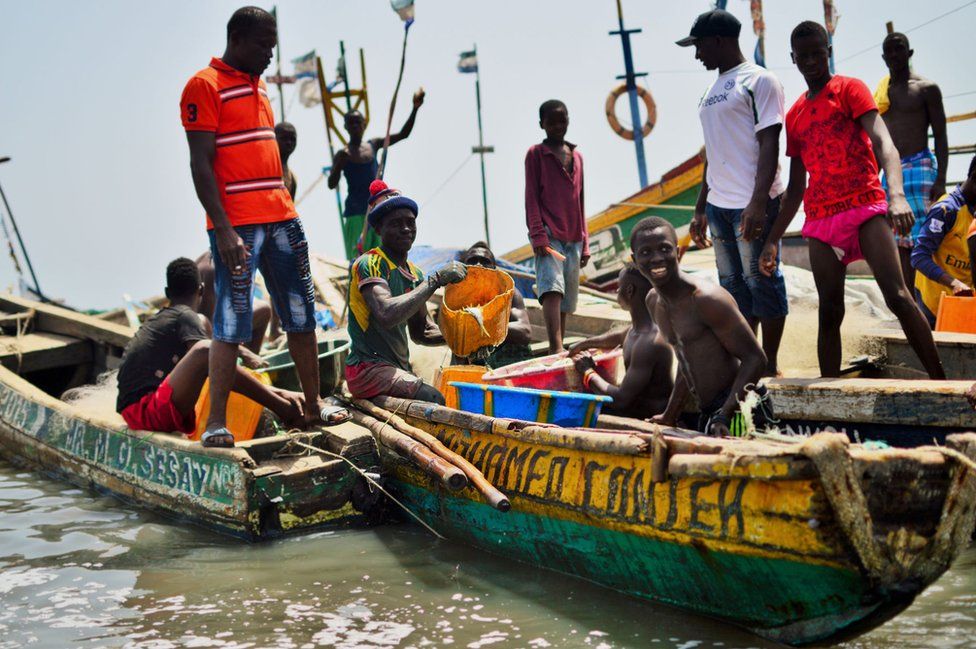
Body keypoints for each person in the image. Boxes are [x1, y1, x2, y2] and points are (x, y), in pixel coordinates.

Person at [759, 21, 945, 380]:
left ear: (827, 51)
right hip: (822, 221)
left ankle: (942, 382)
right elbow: (796, 187)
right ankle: (829, 392)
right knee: (829, 311)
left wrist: (896, 195)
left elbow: (883, 143)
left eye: (818, 52)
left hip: (864, 208)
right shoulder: (795, 115)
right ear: (793, 59)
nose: (811, 60)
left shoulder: (849, 89)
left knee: (898, 296)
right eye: (804, 55)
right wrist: (772, 239)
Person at [181, 7, 324, 446]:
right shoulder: (203, 85)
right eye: (264, 44)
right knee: (230, 322)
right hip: (237, 226)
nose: (270, 53)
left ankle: (315, 408)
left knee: (301, 315)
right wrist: (222, 230)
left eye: (273, 45)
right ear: (238, 38)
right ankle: (216, 424)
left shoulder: (258, 85)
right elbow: (201, 165)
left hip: (282, 217)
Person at [678, 9, 789, 376]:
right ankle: (749, 360)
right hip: (718, 207)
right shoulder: (709, 91)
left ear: (720, 41)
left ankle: (769, 364)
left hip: (751, 203)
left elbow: (769, 141)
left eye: (699, 46)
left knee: (762, 281)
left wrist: (758, 202)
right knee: (733, 288)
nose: (697, 55)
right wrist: (699, 208)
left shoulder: (759, 81)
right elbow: (714, 152)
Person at [115, 258, 304, 436]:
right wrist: (277, 393)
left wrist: (277, 391)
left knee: (211, 353)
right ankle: (286, 411)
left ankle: (279, 402)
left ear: (167, 293)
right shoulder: (186, 316)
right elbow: (215, 363)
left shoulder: (161, 319)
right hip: (147, 411)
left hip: (135, 411)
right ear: (201, 290)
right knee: (207, 351)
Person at [631, 218, 771, 436]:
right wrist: (670, 414)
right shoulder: (653, 302)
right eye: (646, 252)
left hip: (742, 409)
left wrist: (724, 414)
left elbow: (756, 359)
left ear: (677, 252)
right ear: (635, 260)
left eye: (665, 249)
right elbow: (686, 358)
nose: (657, 258)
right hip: (712, 412)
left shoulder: (706, 300)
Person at [345, 180, 467, 404]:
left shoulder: (415, 273)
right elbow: (386, 314)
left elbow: (423, 331)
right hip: (367, 370)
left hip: (396, 369)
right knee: (435, 399)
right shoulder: (370, 263)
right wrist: (436, 280)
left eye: (410, 222)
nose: (406, 229)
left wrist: (464, 338)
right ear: (379, 229)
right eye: (396, 223)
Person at [876, 32, 949, 289]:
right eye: (890, 51)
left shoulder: (926, 89)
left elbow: (940, 135)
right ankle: (910, 304)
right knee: (899, 241)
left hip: (921, 168)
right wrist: (873, 178)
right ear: (883, 57)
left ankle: (929, 300)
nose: (894, 55)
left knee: (926, 238)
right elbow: (878, 141)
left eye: (899, 49)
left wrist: (940, 180)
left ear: (909, 53)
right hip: (892, 173)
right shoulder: (882, 95)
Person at [328, 89, 425, 260]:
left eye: (358, 123)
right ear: (345, 127)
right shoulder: (343, 153)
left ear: (364, 124)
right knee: (358, 258)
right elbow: (331, 183)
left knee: (381, 256)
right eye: (351, 124)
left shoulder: (373, 145)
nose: (355, 127)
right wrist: (338, 165)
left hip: (377, 211)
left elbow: (404, 134)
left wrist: (415, 108)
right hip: (355, 213)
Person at [525, 99, 589, 354]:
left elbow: (581, 199)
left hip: (574, 234)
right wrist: (537, 233)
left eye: (561, 120)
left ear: (568, 120)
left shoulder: (577, 157)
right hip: (549, 233)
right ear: (542, 124)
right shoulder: (536, 154)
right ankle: (556, 346)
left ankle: (558, 344)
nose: (557, 126)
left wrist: (584, 241)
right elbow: (531, 196)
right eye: (551, 121)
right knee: (552, 287)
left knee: (567, 295)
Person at [569, 264, 673, 418]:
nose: (617, 291)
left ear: (629, 290)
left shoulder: (648, 343)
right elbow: (615, 337)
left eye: (619, 286)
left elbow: (620, 400)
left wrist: (588, 372)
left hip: (649, 418)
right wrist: (583, 344)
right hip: (634, 408)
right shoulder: (635, 330)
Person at [911, 156, 976, 326]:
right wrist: (954, 284)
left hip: (965, 302)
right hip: (934, 302)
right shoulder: (947, 210)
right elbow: (918, 258)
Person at [453, 241, 533, 367]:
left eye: (485, 261)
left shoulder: (508, 292)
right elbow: (456, 345)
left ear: (494, 268)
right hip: (477, 367)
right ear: (464, 266)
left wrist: (482, 326)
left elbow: (525, 331)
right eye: (472, 260)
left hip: (509, 363)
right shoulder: (456, 296)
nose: (478, 264)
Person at [195, 250, 272, 354]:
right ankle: (249, 363)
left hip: (210, 331)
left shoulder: (205, 258)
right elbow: (207, 330)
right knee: (264, 310)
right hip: (206, 340)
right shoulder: (213, 268)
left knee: (261, 307)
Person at [275, 121, 298, 200]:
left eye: (292, 139)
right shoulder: (264, 170)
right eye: (283, 138)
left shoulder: (292, 178)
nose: (289, 142)